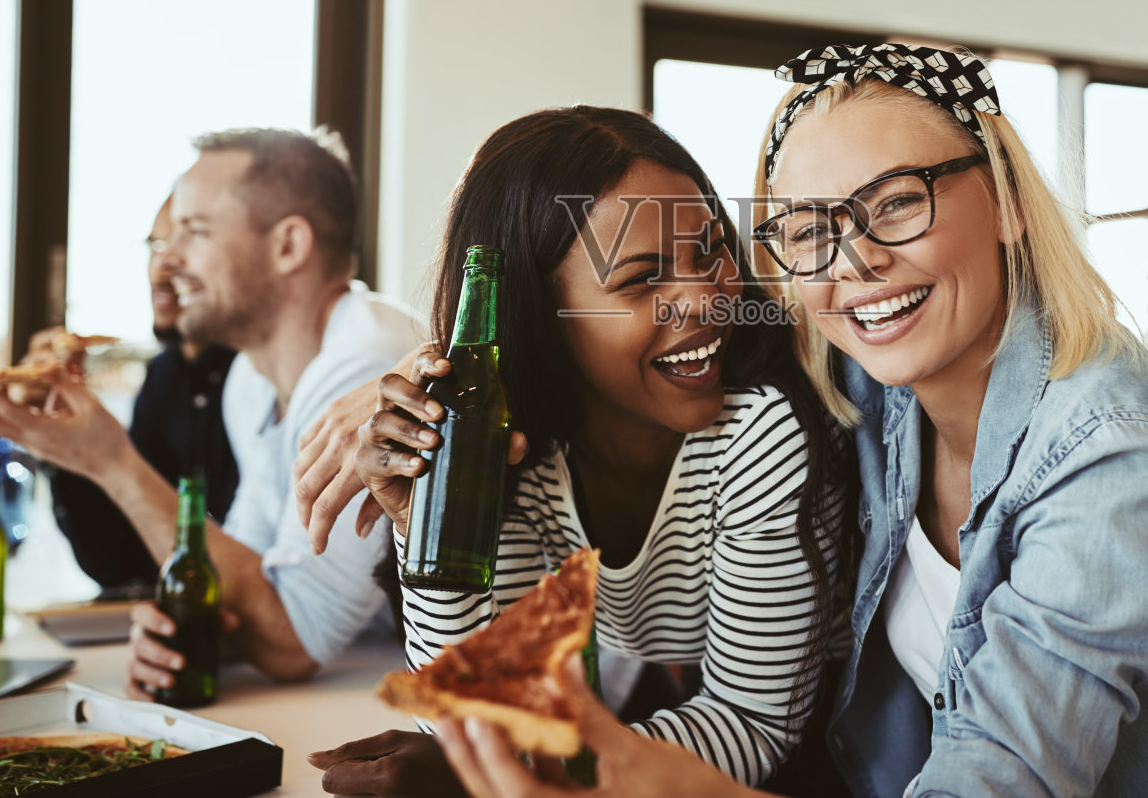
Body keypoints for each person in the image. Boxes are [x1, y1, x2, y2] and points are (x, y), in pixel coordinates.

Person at [428, 44, 1148, 798]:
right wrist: (432, 416)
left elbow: (999, 777)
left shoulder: (1114, 455)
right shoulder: (873, 379)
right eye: (806, 229)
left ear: (1008, 198)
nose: (854, 262)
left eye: (896, 202)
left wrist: (654, 779)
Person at [299, 107, 851, 793]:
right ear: (541, 313)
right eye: (643, 279)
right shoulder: (515, 445)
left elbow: (752, 724)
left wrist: (506, 768)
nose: (707, 299)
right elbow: (479, 704)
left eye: (711, 250)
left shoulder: (763, 429)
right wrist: (431, 521)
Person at [0, 127, 423, 688]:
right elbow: (250, 575)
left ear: (288, 246)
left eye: (195, 231)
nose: (168, 260)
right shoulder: (250, 381)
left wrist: (111, 460)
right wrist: (188, 632)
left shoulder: (364, 371)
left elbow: (295, 639)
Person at [43, 195, 240, 589]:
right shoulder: (162, 376)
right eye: (156, 245)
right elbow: (122, 560)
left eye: (188, 242)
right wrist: (65, 443)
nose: (161, 265)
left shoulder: (260, 378)